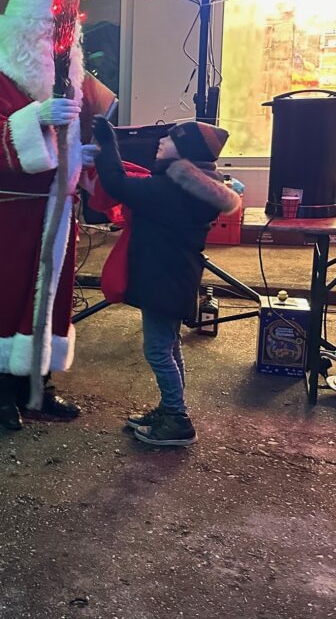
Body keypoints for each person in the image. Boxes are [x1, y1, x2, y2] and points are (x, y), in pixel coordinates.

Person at [0, 0, 115, 430]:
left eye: (64, 35)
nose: (58, 44)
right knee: (5, 295)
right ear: (26, 31)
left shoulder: (70, 74)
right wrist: (36, 119)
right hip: (8, 213)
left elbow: (84, 129)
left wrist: (82, 156)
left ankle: (39, 386)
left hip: (56, 207)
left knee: (51, 297)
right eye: (51, 34)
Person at [87, 116, 240, 446]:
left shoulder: (170, 189)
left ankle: (177, 418)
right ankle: (170, 409)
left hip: (162, 280)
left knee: (158, 350)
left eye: (169, 140)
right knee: (169, 345)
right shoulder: (193, 188)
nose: (161, 142)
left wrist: (107, 142)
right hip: (175, 277)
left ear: (184, 152)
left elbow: (117, 183)